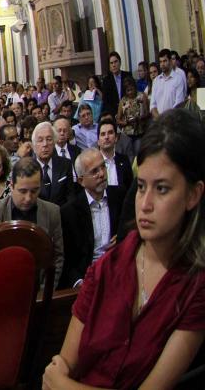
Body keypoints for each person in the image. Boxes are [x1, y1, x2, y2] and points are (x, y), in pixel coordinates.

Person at [43, 109, 205, 389]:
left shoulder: (195, 285)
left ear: (193, 195)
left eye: (162, 189)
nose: (145, 204)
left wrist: (63, 385)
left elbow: (58, 380)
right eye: (141, 187)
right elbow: (63, 366)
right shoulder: (107, 266)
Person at [0, 158, 64, 286]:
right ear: (11, 186)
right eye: (23, 191)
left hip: (39, 287)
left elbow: (57, 257)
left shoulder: (52, 212)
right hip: (2, 285)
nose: (28, 198)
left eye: (34, 191)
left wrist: (45, 291)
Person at [58, 148, 122, 289]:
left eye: (103, 167)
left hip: (118, 273)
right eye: (94, 171)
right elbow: (67, 260)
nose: (102, 174)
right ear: (81, 181)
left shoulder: (120, 197)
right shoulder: (69, 212)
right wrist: (79, 283)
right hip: (87, 279)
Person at [32, 121, 74, 207]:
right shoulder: (27, 168)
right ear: (34, 145)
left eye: (49, 139)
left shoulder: (66, 164)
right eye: (40, 140)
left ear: (54, 143)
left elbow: (70, 197)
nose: (45, 144)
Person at [149, 48, 187, 117]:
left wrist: (167, 120)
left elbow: (179, 104)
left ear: (170, 61)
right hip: (159, 121)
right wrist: (159, 119)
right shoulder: (156, 81)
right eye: (160, 62)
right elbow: (153, 105)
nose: (162, 64)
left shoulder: (178, 79)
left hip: (173, 120)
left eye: (164, 61)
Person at [101, 51, 133, 119]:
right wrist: (116, 115)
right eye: (111, 63)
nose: (114, 65)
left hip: (128, 111)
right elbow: (106, 102)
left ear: (120, 62)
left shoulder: (128, 75)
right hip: (113, 114)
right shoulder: (106, 80)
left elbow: (132, 94)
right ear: (109, 66)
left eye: (115, 62)